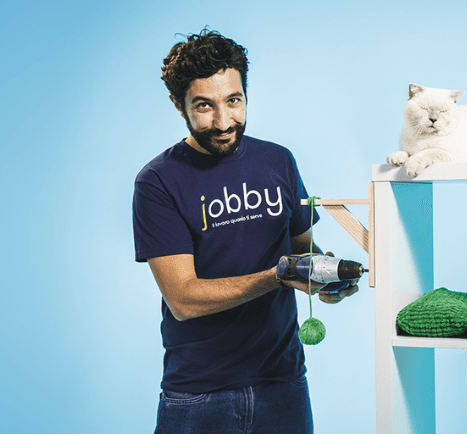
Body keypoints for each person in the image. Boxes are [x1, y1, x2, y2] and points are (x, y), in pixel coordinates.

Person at [132, 29, 359, 433]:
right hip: (199, 395)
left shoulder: (279, 161)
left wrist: (326, 278)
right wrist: (280, 277)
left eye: (233, 101)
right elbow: (184, 298)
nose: (223, 121)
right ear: (178, 104)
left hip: (284, 385)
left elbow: (303, 249)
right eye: (204, 106)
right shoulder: (157, 182)